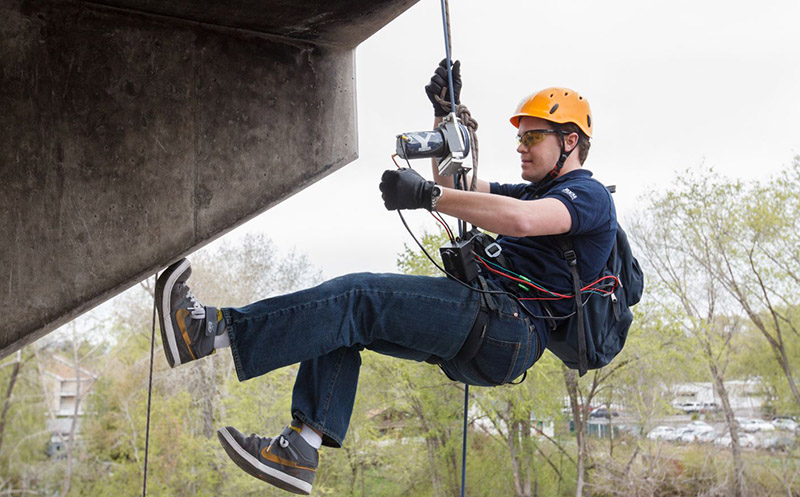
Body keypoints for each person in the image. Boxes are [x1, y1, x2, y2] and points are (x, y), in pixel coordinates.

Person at [155, 60, 616, 495]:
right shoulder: (535, 191)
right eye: (519, 138)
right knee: (343, 323)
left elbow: (522, 220)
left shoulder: (589, 196)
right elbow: (459, 188)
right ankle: (300, 449)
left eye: (532, 136)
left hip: (508, 325)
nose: (521, 147)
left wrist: (429, 196)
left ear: (570, 141)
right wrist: (444, 118)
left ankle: (206, 331)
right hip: (495, 331)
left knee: (357, 297)